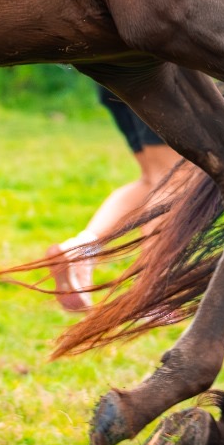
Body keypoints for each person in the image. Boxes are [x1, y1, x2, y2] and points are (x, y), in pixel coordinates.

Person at [44, 86, 182, 312]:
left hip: (113, 75)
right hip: (157, 72)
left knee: (151, 179)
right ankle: (154, 290)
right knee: (174, 177)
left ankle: (83, 249)